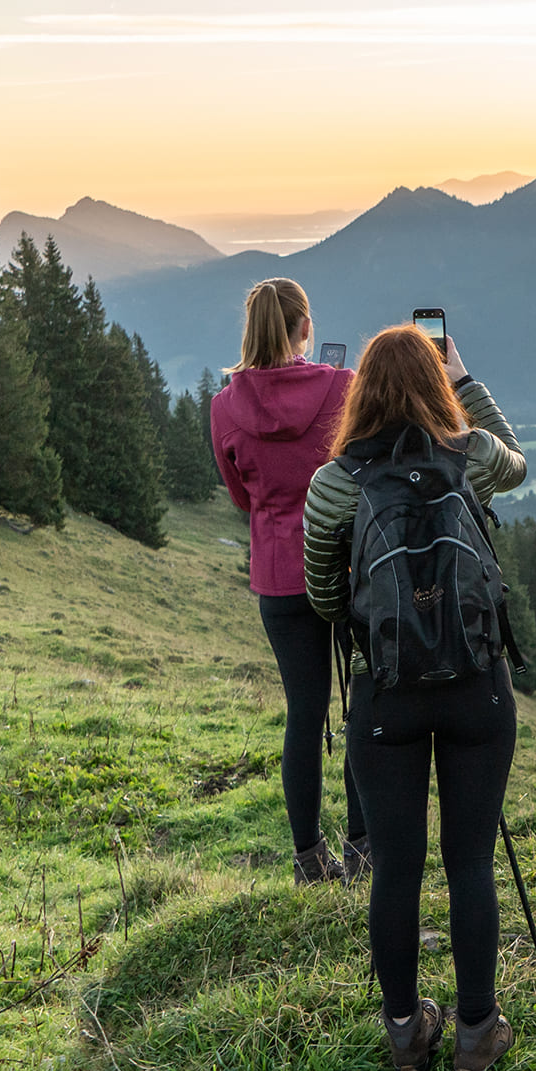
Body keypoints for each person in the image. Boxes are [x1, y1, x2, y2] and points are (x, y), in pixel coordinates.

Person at [303, 324, 530, 1071]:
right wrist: (467, 384)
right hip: (478, 688)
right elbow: (518, 460)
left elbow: (323, 593)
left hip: (385, 697)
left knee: (396, 869)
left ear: (360, 390)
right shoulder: (471, 458)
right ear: (436, 385)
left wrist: (373, 632)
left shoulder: (336, 482)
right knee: (470, 863)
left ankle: (405, 1035)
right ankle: (475, 1033)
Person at [211, 278, 360, 884]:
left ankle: (307, 859)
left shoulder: (225, 406)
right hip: (348, 565)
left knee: (305, 713)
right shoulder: (341, 388)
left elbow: (239, 496)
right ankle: (364, 844)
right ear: (305, 329)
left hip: (279, 573)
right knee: (364, 704)